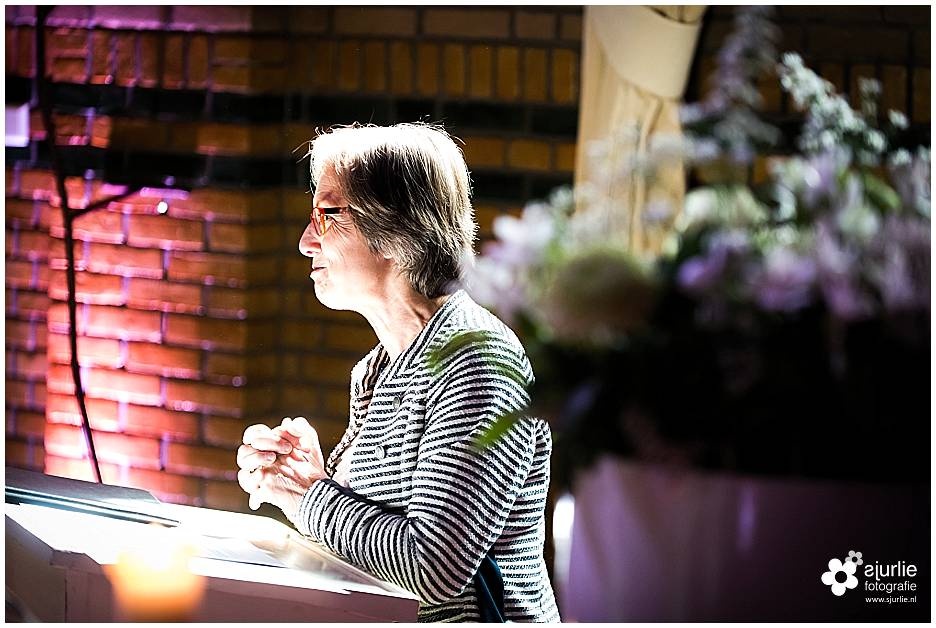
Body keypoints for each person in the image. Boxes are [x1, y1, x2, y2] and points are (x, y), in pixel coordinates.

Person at [235, 122, 560, 622]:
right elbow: (370, 548)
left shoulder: (476, 360)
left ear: (394, 228)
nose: (305, 242)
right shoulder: (378, 367)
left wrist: (307, 496)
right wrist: (310, 476)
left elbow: (433, 568)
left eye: (325, 215)